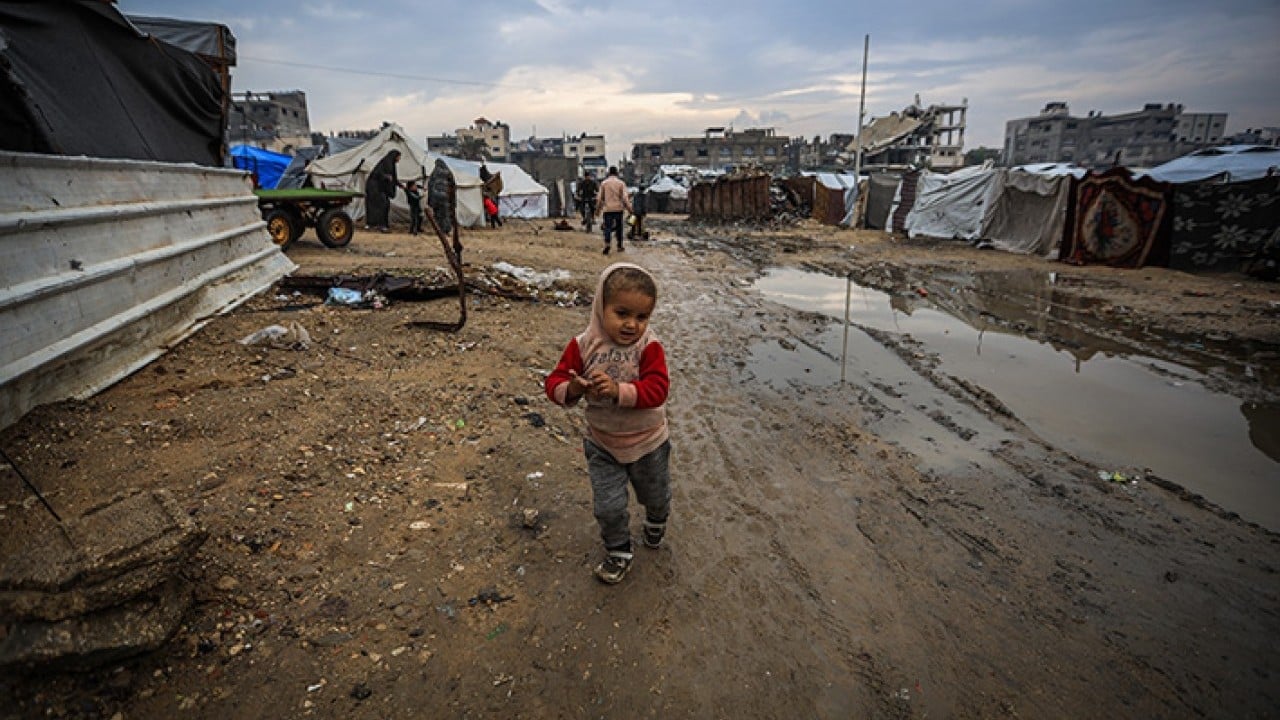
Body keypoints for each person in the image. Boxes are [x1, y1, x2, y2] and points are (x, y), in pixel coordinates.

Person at [545, 263, 671, 584]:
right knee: (608, 506)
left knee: (654, 496)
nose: (632, 325)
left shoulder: (649, 347)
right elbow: (554, 382)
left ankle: (656, 521)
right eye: (622, 313)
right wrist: (573, 388)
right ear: (601, 306)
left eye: (642, 317)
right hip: (602, 444)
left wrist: (618, 391)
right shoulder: (583, 345)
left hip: (648, 443)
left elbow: (658, 390)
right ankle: (619, 551)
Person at [596, 166, 631, 255]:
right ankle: (619, 245)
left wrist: (598, 210)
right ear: (617, 173)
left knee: (607, 227)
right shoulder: (621, 183)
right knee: (619, 227)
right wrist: (630, 209)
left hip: (608, 209)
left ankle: (607, 243)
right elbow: (625, 198)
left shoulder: (604, 183)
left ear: (608, 173)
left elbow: (599, 198)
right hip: (618, 209)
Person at [364, 149, 400, 233]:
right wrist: (387, 178)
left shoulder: (389, 164)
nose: (399, 159)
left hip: (379, 189)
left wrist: (398, 184)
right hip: (375, 189)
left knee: (383, 205)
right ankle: (380, 225)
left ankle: (379, 224)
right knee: (382, 205)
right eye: (398, 157)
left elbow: (392, 178)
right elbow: (382, 176)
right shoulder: (387, 164)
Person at [427, 158, 457, 237]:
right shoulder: (448, 172)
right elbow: (452, 184)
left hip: (435, 197)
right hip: (444, 196)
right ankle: (446, 230)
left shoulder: (434, 173)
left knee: (437, 214)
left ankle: (439, 230)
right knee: (445, 214)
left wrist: (430, 200)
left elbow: (430, 185)